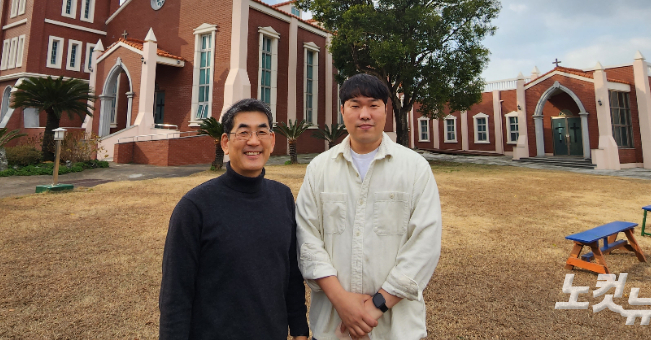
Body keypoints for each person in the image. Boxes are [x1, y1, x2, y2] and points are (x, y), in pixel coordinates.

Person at [296, 74, 442, 340]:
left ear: (386, 110)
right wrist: (342, 301)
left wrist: (376, 306)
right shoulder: (319, 169)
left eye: (373, 105)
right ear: (342, 111)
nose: (365, 114)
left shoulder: (414, 168)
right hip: (332, 326)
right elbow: (307, 239)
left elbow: (425, 244)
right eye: (355, 105)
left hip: (396, 329)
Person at [159, 98, 309, 340]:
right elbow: (175, 295)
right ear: (226, 143)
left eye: (261, 132)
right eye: (243, 132)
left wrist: (300, 330)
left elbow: (291, 273)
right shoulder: (195, 207)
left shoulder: (282, 197)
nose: (253, 141)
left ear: (271, 141)